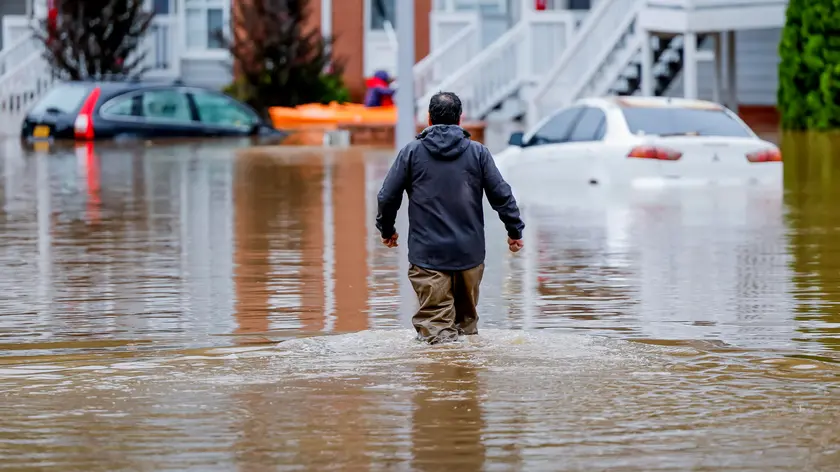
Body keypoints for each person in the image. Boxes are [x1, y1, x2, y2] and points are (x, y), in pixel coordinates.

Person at [375, 92, 525, 344]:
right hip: (469, 255)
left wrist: (386, 230)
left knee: (436, 332)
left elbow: (387, 196)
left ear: (429, 119)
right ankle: (466, 381)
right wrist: (514, 231)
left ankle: (441, 380)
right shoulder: (478, 153)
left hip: (428, 256)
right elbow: (502, 194)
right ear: (460, 119)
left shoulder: (412, 152)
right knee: (466, 328)